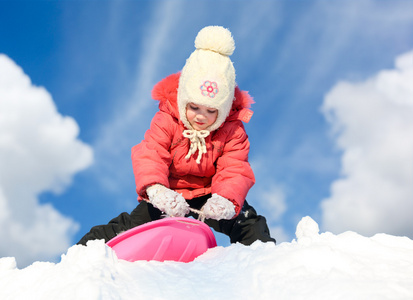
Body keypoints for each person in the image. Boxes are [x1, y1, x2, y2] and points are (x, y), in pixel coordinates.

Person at [77, 26, 276, 246]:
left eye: (211, 111)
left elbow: (234, 167)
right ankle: (87, 250)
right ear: (183, 100)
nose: (201, 117)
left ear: (224, 109)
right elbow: (152, 153)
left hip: (210, 193)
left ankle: (262, 257)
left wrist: (225, 200)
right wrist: (157, 190)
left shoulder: (233, 130)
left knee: (248, 223)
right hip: (169, 192)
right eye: (194, 107)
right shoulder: (167, 120)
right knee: (133, 226)